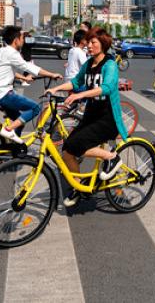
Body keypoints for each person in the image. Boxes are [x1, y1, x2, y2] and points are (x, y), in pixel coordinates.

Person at [46, 28, 129, 206]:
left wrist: (80, 95)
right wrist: (56, 89)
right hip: (91, 114)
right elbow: (76, 82)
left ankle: (112, 157)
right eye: (88, 42)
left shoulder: (110, 64)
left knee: (78, 145)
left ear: (103, 44)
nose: (89, 46)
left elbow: (106, 87)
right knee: (67, 150)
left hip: (107, 118)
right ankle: (78, 186)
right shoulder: (89, 64)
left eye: (93, 43)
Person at [0, 25, 62, 143]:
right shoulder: (12, 53)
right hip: (3, 94)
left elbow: (6, 71)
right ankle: (8, 129)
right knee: (35, 108)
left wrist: (23, 77)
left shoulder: (1, 50)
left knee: (19, 122)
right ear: (16, 40)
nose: (23, 41)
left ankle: (13, 151)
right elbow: (30, 67)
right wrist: (51, 74)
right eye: (22, 38)